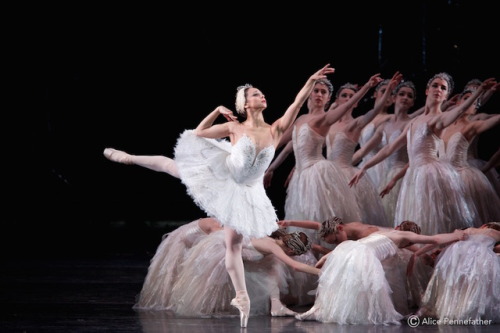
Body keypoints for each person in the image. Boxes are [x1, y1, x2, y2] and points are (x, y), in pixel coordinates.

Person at [171, 64, 334, 327]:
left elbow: (296, 103)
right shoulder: (235, 128)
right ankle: (242, 296)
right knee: (177, 170)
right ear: (245, 104)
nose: (262, 96)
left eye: (262, 94)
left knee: (234, 244)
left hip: (252, 191)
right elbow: (200, 133)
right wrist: (216, 111)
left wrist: (309, 81)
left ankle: (242, 297)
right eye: (256, 94)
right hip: (230, 182)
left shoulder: (276, 129)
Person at [349, 74, 497, 235]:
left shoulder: (439, 118)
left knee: (435, 218)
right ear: (427, 90)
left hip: (430, 174)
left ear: (446, 95)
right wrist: (364, 167)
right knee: (417, 218)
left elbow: (460, 109)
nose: (438, 89)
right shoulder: (414, 121)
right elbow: (389, 148)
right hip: (413, 175)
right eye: (435, 85)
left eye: (443, 88)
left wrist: (479, 92)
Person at [294, 220, 465, 325]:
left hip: (349, 250)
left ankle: (326, 308)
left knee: (349, 284)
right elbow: (434, 239)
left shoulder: (383, 232)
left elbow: (354, 246)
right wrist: (455, 234)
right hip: (363, 255)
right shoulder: (402, 235)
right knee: (369, 285)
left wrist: (325, 259)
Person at [324, 74, 403, 228]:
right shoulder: (329, 123)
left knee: (345, 219)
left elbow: (375, 111)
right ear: (337, 99)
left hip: (345, 175)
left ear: (356, 102)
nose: (347, 99)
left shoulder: (356, 123)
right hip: (326, 174)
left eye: (351, 96)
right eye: (344, 95)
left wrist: (381, 90)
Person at [407, 222, 500, 323]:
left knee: (453, 285)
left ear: (484, 225)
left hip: (456, 254)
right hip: (479, 256)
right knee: (472, 285)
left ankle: (449, 308)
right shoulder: (495, 233)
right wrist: (493, 249)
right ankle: (464, 310)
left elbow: (437, 240)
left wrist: (417, 253)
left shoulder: (468, 230)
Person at [353, 80, 417, 225]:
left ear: (413, 102)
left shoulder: (411, 123)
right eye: (402, 94)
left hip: (404, 175)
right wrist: (345, 165)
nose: (405, 97)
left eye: (409, 96)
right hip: (387, 175)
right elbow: (364, 150)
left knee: (402, 216)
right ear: (394, 98)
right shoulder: (385, 126)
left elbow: (414, 156)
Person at [439, 89, 500, 226]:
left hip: (463, 178)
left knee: (468, 221)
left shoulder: (471, 126)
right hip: (443, 178)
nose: (470, 102)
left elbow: (494, 120)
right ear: (459, 102)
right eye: (466, 98)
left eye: (474, 101)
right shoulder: (443, 126)